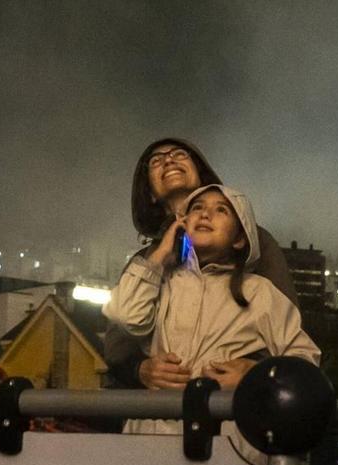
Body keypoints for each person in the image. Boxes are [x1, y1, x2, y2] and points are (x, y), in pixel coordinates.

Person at [102, 184, 319, 459]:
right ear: (182, 225)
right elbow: (125, 315)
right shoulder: (159, 282)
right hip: (150, 439)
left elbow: (305, 360)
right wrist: (159, 254)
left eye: (221, 210)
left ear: (239, 238)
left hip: (229, 444)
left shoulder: (260, 292)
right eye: (197, 208)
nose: (205, 214)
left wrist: (254, 375)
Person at [104, 138, 296, 390]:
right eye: (156, 160)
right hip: (158, 405)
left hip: (230, 402)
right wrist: (139, 370)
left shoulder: (254, 243)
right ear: (150, 193)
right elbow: (118, 339)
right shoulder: (146, 263)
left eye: (180, 154)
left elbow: (288, 329)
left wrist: (256, 371)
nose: (169, 160)